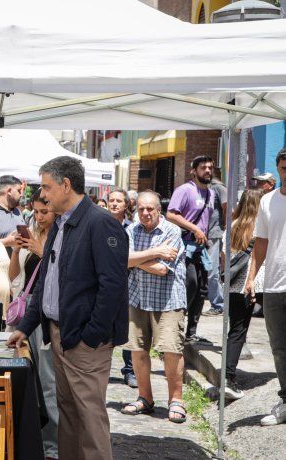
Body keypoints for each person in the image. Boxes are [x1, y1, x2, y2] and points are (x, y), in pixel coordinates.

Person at [7, 156, 129, 460]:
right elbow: (45, 284)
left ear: (66, 185)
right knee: (70, 416)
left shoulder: (100, 223)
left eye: (47, 186)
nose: (43, 194)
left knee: (89, 420)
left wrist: (91, 336)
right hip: (61, 336)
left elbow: (112, 288)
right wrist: (25, 327)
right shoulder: (62, 225)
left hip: (83, 342)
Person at [121, 191, 188, 423]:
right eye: (141, 209)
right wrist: (154, 252)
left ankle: (176, 400)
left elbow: (162, 268)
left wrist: (136, 260)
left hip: (168, 301)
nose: (145, 213)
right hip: (137, 298)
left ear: (159, 209)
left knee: (171, 351)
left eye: (150, 209)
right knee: (138, 350)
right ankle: (145, 398)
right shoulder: (131, 231)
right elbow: (122, 260)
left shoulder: (172, 231)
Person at [8, 194, 59, 460]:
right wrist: (17, 250)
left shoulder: (59, 237)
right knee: (27, 377)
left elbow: (60, 273)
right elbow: (15, 277)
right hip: (25, 312)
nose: (39, 217)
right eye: (36, 212)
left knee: (48, 380)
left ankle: (52, 446)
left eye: (44, 212)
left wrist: (41, 250)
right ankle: (32, 439)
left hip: (46, 315)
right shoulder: (34, 234)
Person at [245, 148, 286, 426]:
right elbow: (261, 242)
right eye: (284, 167)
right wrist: (251, 277)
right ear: (278, 169)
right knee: (280, 348)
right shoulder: (268, 201)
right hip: (274, 284)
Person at [167, 155, 215, 344]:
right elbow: (171, 214)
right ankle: (174, 330)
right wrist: (194, 228)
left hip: (201, 249)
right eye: (203, 167)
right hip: (184, 247)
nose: (208, 171)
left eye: (210, 167)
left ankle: (191, 333)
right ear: (193, 171)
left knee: (202, 290)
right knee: (190, 285)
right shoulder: (185, 190)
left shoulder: (211, 194)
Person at [222, 189, 265, 400]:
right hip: (259, 284)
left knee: (236, 331)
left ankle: (228, 379)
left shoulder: (231, 227)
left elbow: (224, 258)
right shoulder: (262, 228)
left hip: (233, 287)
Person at [108, 188, 138, 388]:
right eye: (111, 200)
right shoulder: (100, 225)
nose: (114, 204)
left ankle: (129, 370)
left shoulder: (132, 229)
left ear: (126, 205)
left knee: (128, 329)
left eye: (119, 200)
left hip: (128, 283)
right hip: (104, 283)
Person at [206, 173, 228, 315]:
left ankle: (218, 304)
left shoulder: (219, 188)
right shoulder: (199, 188)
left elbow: (227, 207)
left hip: (214, 234)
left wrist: (224, 225)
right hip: (200, 235)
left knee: (212, 270)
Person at [0, 175, 25, 248]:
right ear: (9, 191)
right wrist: (6, 242)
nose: (21, 195)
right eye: (19, 191)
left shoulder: (17, 211)